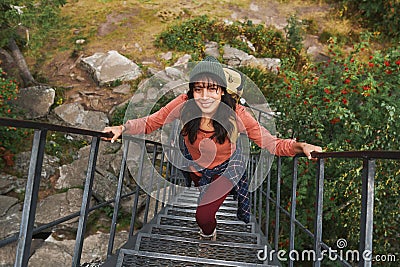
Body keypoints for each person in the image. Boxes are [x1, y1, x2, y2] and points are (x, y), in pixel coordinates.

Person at [103, 56, 322, 241]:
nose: (205, 96)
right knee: (203, 200)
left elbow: (271, 143)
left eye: (212, 89)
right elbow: (152, 122)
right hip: (198, 168)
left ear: (221, 90)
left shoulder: (237, 114)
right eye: (198, 89)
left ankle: (209, 236)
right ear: (191, 91)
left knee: (203, 216)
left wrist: (301, 146)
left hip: (228, 168)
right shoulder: (182, 104)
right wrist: (123, 128)